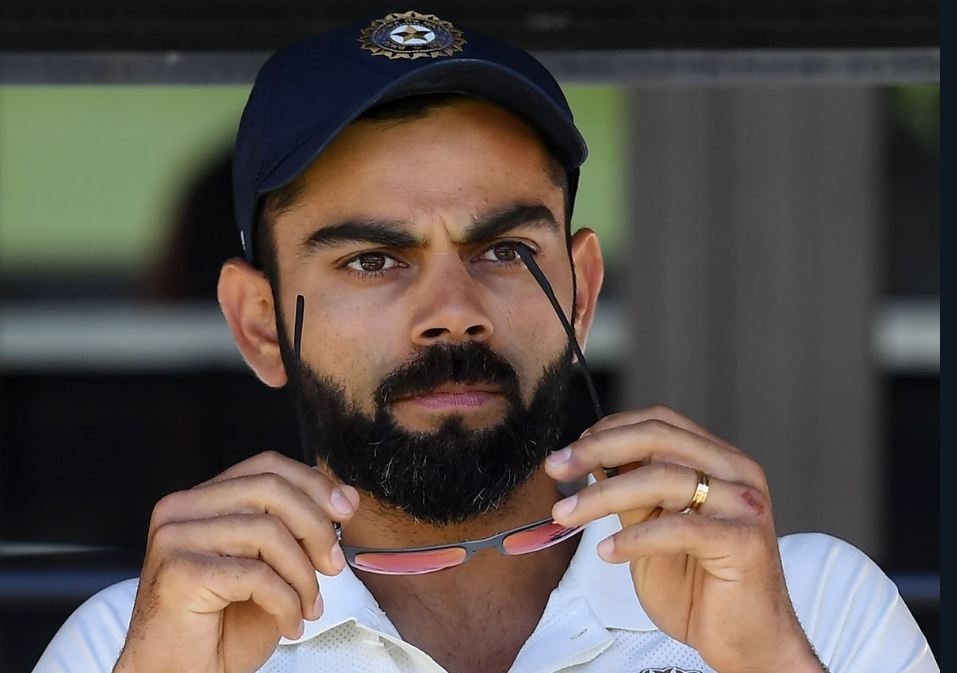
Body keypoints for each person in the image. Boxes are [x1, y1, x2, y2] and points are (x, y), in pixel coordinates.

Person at [34, 10, 937, 673]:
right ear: (260, 323)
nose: (452, 312)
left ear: (580, 292)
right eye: (373, 260)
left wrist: (765, 657)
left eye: (505, 250)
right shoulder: (146, 636)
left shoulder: (809, 602)